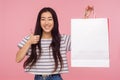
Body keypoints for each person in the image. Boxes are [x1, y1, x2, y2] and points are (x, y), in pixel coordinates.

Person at [16, 7, 71, 80]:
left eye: (50, 19)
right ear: (39, 22)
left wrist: (85, 19)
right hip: (38, 77)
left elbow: (82, 40)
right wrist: (29, 42)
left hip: (56, 77)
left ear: (54, 21)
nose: (46, 22)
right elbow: (17, 59)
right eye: (43, 19)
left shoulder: (63, 39)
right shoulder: (31, 38)